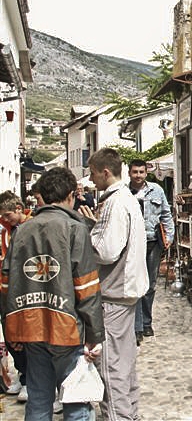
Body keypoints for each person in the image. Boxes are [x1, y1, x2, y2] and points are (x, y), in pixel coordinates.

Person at [0, 167, 105, 420]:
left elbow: (5, 287)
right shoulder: (75, 228)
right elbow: (87, 287)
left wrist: (11, 330)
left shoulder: (21, 231)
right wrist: (94, 336)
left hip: (31, 327)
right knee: (76, 401)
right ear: (70, 196)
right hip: (66, 328)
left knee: (38, 399)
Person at [78, 148, 148, 421]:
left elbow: (106, 251)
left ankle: (118, 417)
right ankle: (129, 413)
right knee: (124, 362)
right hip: (125, 294)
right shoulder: (125, 199)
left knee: (110, 366)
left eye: (93, 173)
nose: (91, 179)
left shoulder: (116, 202)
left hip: (114, 295)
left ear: (105, 172)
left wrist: (88, 229)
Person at [127, 159, 174, 345]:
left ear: (146, 173)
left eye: (141, 172)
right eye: (135, 172)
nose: (138, 175)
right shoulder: (124, 193)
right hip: (132, 244)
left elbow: (166, 214)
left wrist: (169, 237)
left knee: (150, 285)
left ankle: (147, 322)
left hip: (153, 242)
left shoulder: (156, 190)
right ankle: (137, 327)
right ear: (129, 173)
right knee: (135, 284)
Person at [0, 190, 33, 402]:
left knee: (25, 335)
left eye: (7, 215)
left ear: (18, 209)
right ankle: (22, 374)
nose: (5, 219)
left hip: (23, 287)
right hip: (5, 288)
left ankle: (30, 379)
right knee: (10, 333)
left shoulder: (31, 226)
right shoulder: (7, 230)